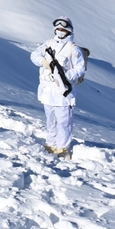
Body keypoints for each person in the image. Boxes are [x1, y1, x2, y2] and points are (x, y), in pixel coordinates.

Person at [31, 17, 87, 158]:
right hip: (47, 91)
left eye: (63, 29)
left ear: (68, 30)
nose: (60, 31)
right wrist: (43, 61)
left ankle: (62, 148)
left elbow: (80, 69)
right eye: (58, 29)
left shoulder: (74, 49)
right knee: (51, 120)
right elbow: (34, 55)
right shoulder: (48, 44)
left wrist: (65, 77)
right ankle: (51, 144)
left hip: (63, 92)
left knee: (64, 122)